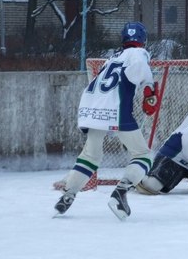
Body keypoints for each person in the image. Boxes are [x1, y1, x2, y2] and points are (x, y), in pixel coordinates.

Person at [54, 21, 158, 221]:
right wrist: (149, 92)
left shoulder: (112, 57)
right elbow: (144, 82)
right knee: (144, 155)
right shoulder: (138, 54)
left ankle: (68, 194)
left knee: (91, 155)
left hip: (91, 107)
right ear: (143, 40)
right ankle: (121, 192)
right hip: (115, 109)